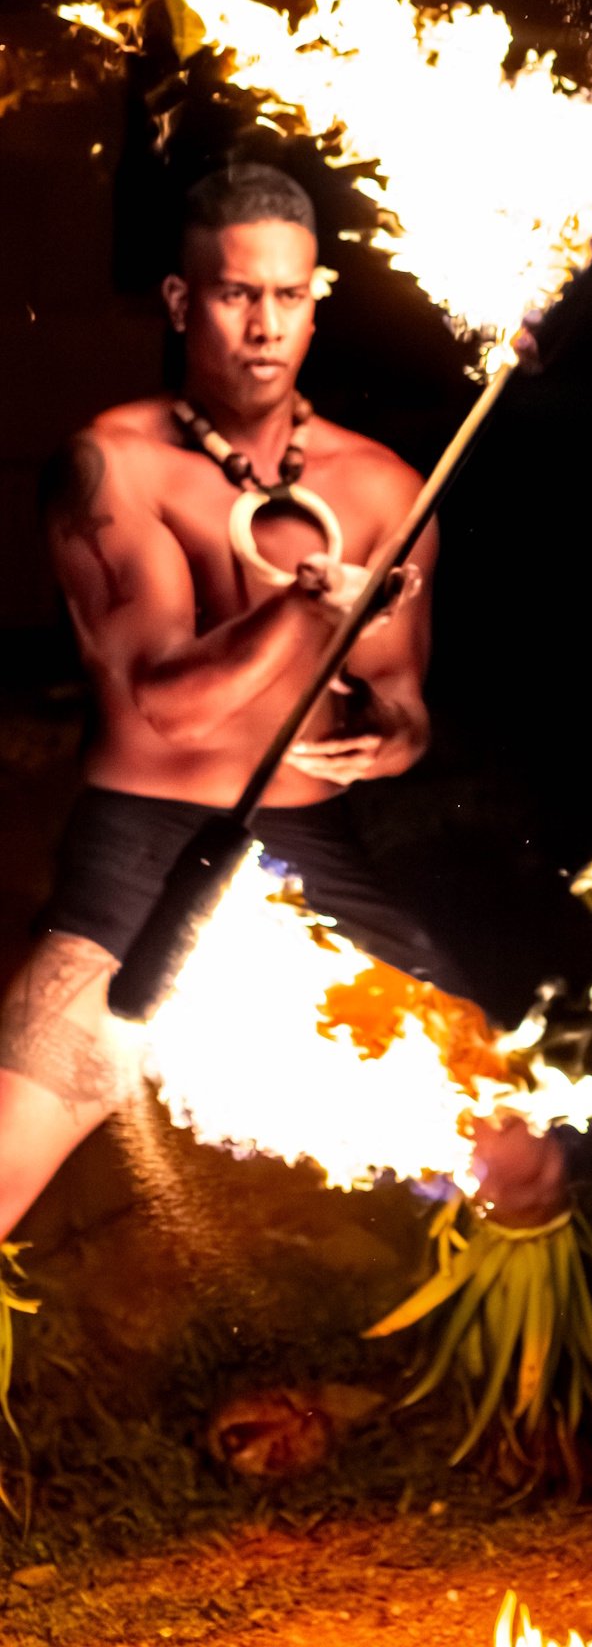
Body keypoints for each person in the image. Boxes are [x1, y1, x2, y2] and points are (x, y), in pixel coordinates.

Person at [0, 161, 466, 1240]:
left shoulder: (387, 487)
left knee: (517, 1147)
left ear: (321, 295)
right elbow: (168, 702)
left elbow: (403, 706)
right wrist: (305, 611)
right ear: (180, 300)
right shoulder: (110, 467)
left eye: (289, 295)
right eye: (236, 293)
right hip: (143, 846)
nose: (265, 325)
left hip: (314, 842)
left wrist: (388, 737)